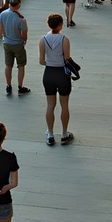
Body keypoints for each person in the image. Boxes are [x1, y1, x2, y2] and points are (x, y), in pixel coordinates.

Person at [39, 13, 73, 146]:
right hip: (62, 74)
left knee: (50, 105)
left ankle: (50, 134)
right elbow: (67, 59)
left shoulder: (43, 39)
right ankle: (64, 134)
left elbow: (42, 61)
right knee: (64, 105)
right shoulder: (64, 39)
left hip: (49, 74)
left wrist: (51, 61)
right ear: (59, 25)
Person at [0, 0, 29, 96]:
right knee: (21, 65)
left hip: (6, 43)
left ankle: (8, 86)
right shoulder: (21, 19)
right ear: (19, 5)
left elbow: (0, 27)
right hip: (18, 44)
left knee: (8, 65)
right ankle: (20, 87)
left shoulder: (2, 14)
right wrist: (24, 40)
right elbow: (24, 35)